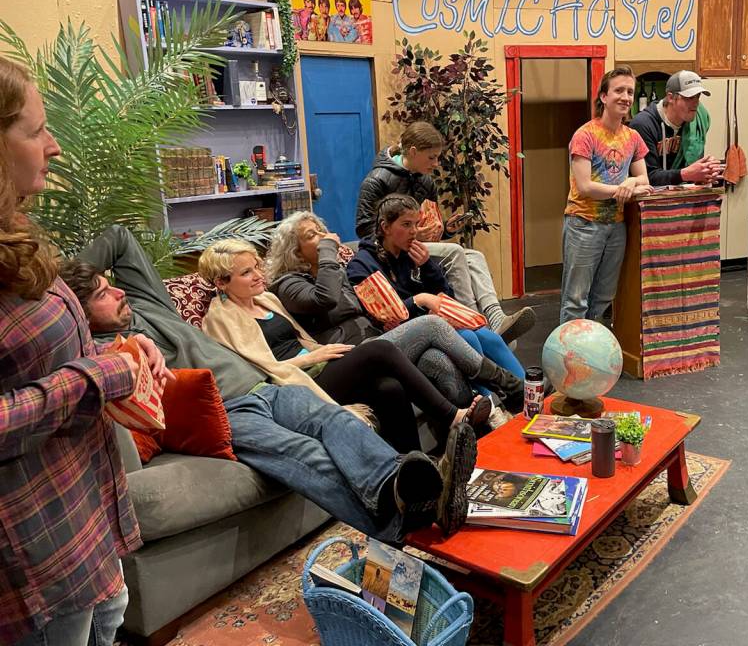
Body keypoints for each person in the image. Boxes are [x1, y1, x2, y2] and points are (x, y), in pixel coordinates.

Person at [67, 224, 477, 539]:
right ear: (77, 313)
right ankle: (403, 518)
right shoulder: (98, 351)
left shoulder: (147, 303)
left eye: (110, 284)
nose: (117, 293)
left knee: (333, 421)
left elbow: (118, 238)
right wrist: (63, 303)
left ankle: (402, 490)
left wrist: (62, 280)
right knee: (303, 452)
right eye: (102, 295)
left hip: (266, 386)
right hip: (226, 412)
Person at [0, 57, 166, 645]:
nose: (55, 146)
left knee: (110, 620)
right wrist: (94, 377)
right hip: (35, 545)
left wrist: (120, 349)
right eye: (37, 131)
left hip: (85, 507)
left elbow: (37, 354)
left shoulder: (17, 231)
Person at [197, 239, 490, 452]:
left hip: (322, 363)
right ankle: (454, 414)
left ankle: (411, 468)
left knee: (389, 387)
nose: (258, 276)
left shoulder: (267, 300)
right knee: (384, 348)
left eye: (257, 267)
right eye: (246, 273)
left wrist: (318, 351)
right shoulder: (220, 319)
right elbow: (256, 372)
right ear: (221, 283)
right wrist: (312, 357)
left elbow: (302, 339)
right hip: (295, 383)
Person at [265, 210, 524, 410]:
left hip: (378, 340)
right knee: (433, 326)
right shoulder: (289, 284)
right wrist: (329, 253)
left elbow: (368, 308)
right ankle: (510, 385)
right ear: (295, 251)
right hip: (349, 357)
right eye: (311, 236)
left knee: (436, 359)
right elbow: (326, 298)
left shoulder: (337, 270)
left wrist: (387, 317)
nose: (322, 238)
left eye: (321, 231)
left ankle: (477, 421)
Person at [356, 120, 535, 343]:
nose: (436, 163)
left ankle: (495, 316)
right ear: (413, 152)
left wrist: (446, 230)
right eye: (431, 157)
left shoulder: (426, 182)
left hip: (415, 246)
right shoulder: (376, 181)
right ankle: (473, 321)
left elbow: (429, 229)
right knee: (455, 253)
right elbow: (364, 228)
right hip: (390, 250)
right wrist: (413, 234)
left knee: (474, 256)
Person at [347, 193, 526, 410]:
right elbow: (383, 317)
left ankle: (529, 393)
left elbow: (445, 296)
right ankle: (491, 407)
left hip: (431, 323)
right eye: (406, 224)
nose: (414, 231)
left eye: (416, 224)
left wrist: (427, 266)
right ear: (385, 227)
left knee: (489, 337)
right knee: (468, 337)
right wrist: (418, 300)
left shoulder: (408, 254)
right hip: (399, 336)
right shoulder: (362, 265)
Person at [560, 65, 653, 323]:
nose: (626, 97)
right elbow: (585, 187)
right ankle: (568, 349)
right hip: (583, 224)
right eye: (619, 90)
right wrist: (623, 189)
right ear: (604, 96)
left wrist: (631, 181)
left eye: (630, 92)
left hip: (616, 227)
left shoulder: (633, 137)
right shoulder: (585, 135)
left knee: (603, 297)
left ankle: (592, 347)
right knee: (575, 299)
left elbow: (644, 179)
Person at [629, 70, 724, 185]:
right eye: (689, 97)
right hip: (652, 195)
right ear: (670, 97)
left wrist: (704, 173)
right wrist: (686, 174)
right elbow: (648, 177)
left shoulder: (697, 121)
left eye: (698, 96)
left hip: (684, 193)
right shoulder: (643, 125)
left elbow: (691, 168)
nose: (696, 103)